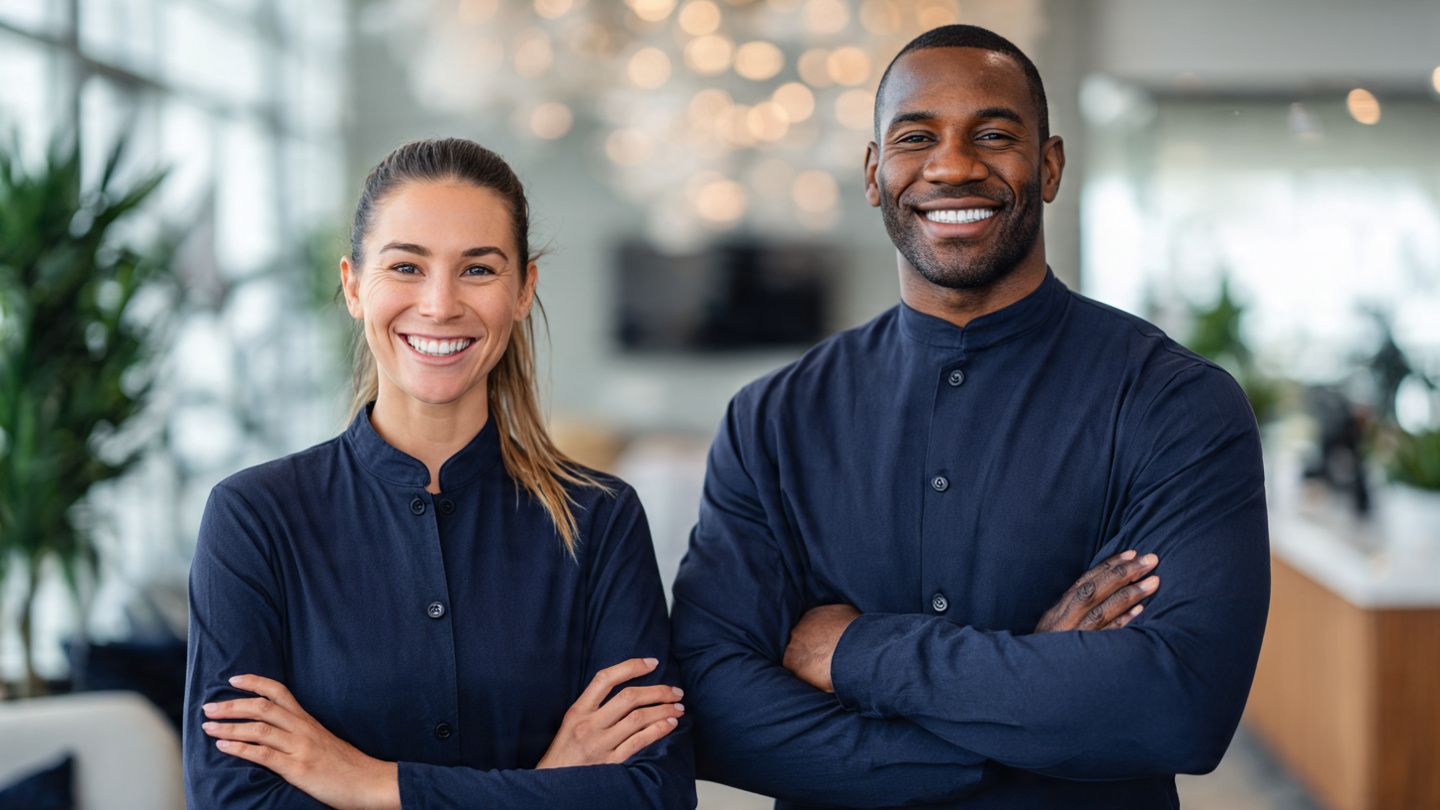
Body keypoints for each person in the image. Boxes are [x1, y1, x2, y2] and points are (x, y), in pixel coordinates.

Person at [670, 24, 1268, 810]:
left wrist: (855, 649)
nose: (953, 165)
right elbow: (709, 703)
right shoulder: (771, 419)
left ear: (1048, 167)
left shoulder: (1175, 403)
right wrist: (1012, 712)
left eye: (993, 134)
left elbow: (1177, 707)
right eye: (917, 137)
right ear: (875, 173)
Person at [184, 138, 695, 809]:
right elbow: (233, 802)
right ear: (353, 286)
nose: (440, 304)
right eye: (406, 266)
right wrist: (550, 782)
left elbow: (653, 793)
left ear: (522, 291)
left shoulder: (599, 516)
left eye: (478, 270)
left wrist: (372, 784)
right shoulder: (254, 517)